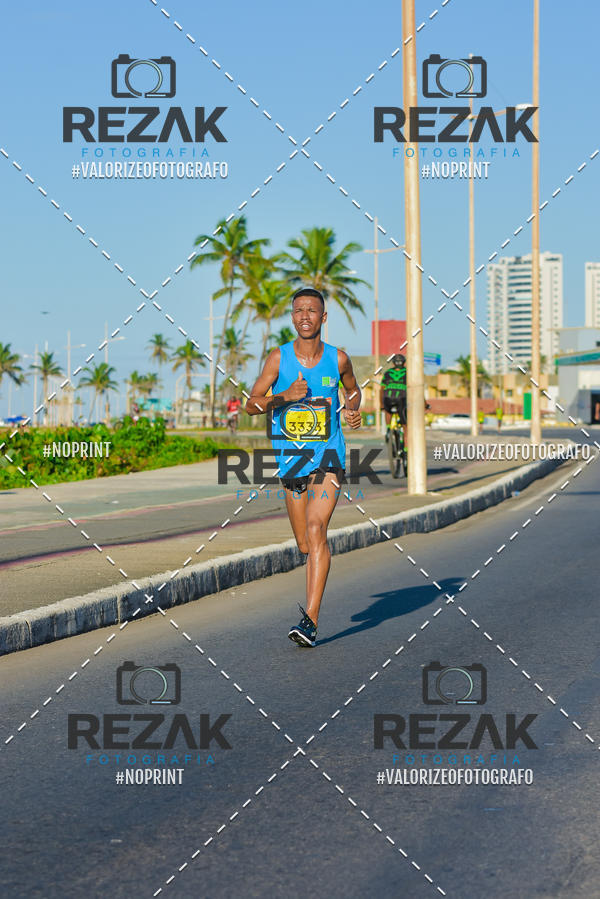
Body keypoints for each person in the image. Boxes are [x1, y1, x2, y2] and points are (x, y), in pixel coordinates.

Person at [246, 286, 362, 647]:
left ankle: (310, 621)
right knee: (303, 544)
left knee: (316, 529)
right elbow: (250, 405)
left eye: (312, 310)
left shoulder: (338, 358)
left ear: (323, 317)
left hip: (329, 458)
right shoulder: (278, 360)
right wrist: (285, 397)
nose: (305, 316)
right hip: (292, 462)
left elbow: (354, 390)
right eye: (299, 311)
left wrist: (355, 407)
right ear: (292, 317)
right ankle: (314, 580)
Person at [380, 354, 407, 441]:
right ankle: (405, 449)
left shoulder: (387, 373)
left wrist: (381, 404)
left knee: (387, 410)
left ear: (393, 363)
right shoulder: (408, 372)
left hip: (388, 398)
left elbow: (382, 389)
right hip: (402, 399)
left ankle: (388, 429)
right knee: (405, 426)